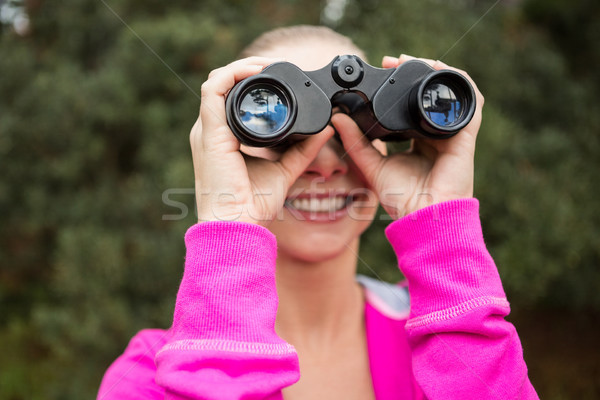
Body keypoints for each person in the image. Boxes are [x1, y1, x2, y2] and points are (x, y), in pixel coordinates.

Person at [97, 25, 539, 400]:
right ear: (227, 149)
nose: (325, 164)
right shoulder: (150, 375)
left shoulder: (451, 330)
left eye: (357, 128)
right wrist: (230, 219)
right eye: (281, 129)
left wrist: (439, 220)